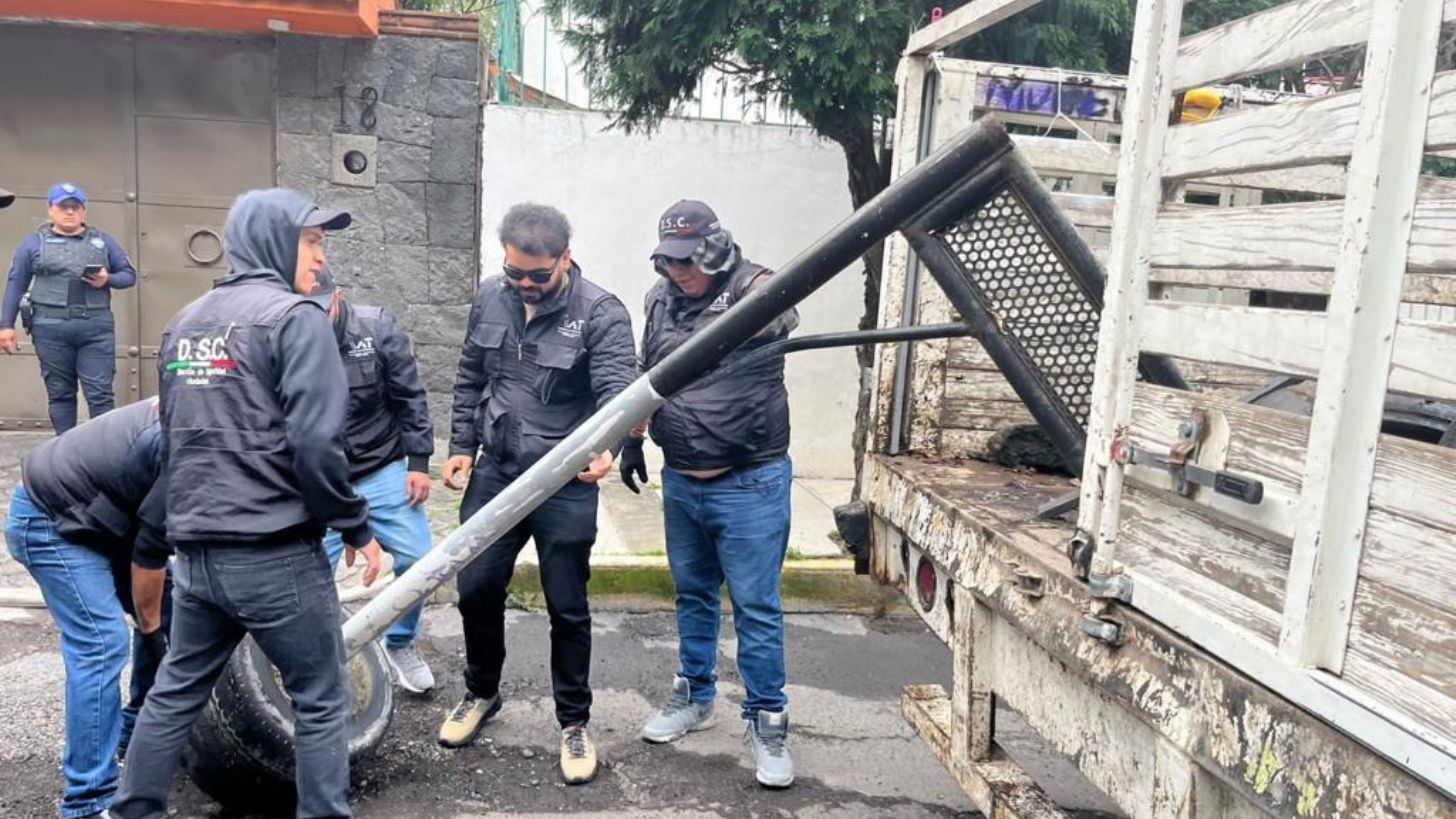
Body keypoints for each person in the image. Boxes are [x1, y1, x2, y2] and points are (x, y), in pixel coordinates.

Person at [106, 189, 383, 819]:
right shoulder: (296, 318)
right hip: (274, 553)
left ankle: (133, 811)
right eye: (311, 241)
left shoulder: (186, 322)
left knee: (176, 690)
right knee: (321, 697)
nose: (320, 257)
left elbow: (175, 440)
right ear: (272, 240)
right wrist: (355, 525)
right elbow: (317, 444)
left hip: (197, 556)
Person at [438, 203, 635, 786]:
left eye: (538, 275)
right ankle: (481, 692)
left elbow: (618, 392)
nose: (524, 284)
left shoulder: (600, 312)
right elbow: (471, 374)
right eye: (514, 272)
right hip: (497, 470)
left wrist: (609, 446)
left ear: (565, 258)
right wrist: (461, 444)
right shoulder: (490, 297)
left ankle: (573, 722)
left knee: (566, 604)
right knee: (475, 587)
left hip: (564, 481)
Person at [624, 200, 799, 788]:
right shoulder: (659, 298)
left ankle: (767, 720)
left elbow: (784, 310)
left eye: (689, 260)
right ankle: (695, 697)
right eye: (669, 261)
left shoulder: (755, 287)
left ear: (716, 249)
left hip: (749, 481)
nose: (680, 272)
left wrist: (737, 279)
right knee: (693, 596)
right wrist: (633, 439)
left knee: (755, 606)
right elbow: (649, 373)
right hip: (682, 479)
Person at [3, 398, 172, 819]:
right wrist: (150, 626)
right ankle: (87, 802)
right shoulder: (190, 442)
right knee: (101, 643)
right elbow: (150, 553)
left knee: (170, 607)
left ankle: (136, 736)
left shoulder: (213, 415)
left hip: (104, 515)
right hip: (50, 520)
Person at [311, 266, 438, 693]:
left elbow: (409, 396)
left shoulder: (376, 327)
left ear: (337, 297)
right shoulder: (286, 337)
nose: (312, 319)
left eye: (320, 308)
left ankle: (399, 642)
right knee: (307, 577)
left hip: (381, 465)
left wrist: (418, 462)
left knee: (421, 561)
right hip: (323, 477)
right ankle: (320, 661)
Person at [0, 183, 137, 433]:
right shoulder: (32, 243)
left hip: (95, 328)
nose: (70, 212)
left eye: (76, 207)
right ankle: (65, 448)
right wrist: (6, 326)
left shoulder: (103, 241)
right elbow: (16, 284)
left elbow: (129, 276)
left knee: (100, 394)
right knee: (60, 393)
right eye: (64, 207)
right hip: (50, 329)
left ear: (84, 210)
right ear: (50, 209)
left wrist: (107, 279)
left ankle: (102, 450)